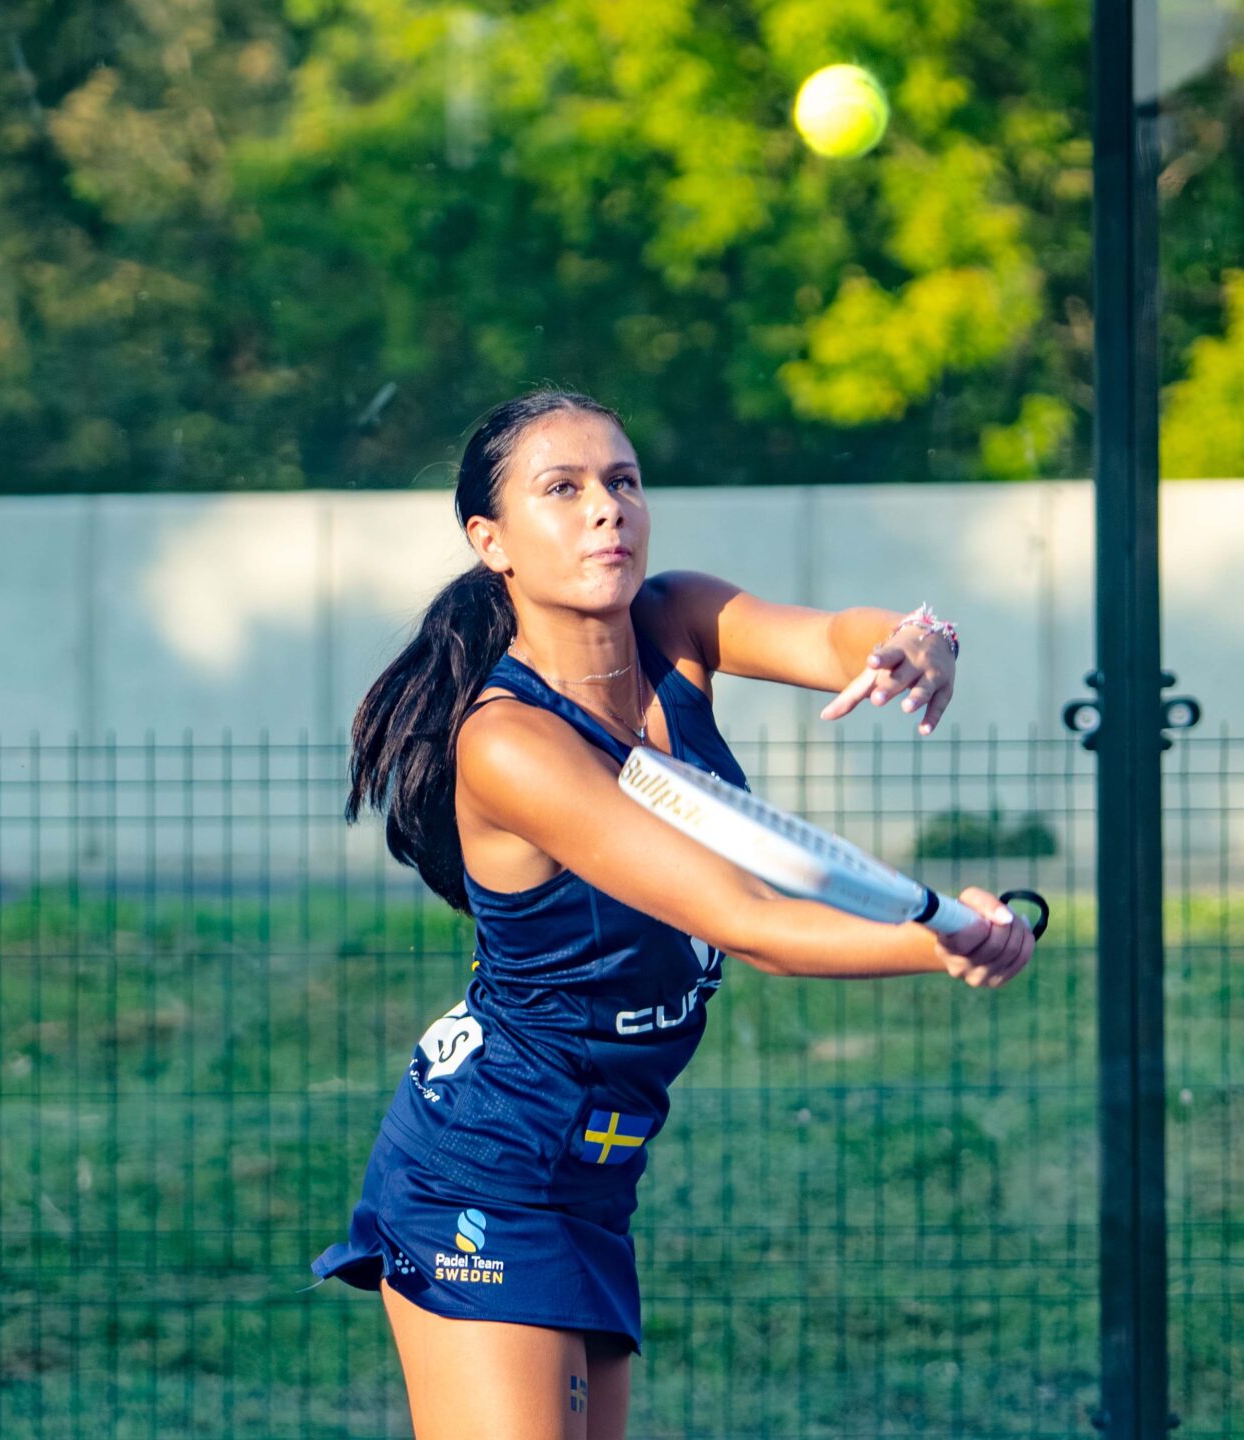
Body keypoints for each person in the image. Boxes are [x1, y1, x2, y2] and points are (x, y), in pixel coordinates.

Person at [309, 389, 1037, 1440]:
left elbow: (841, 638)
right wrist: (941, 940)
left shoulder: (676, 620)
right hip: (486, 1164)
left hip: (597, 1172)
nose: (606, 507)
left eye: (623, 481)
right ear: (490, 541)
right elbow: (747, 920)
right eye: (562, 489)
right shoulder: (510, 743)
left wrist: (919, 639)